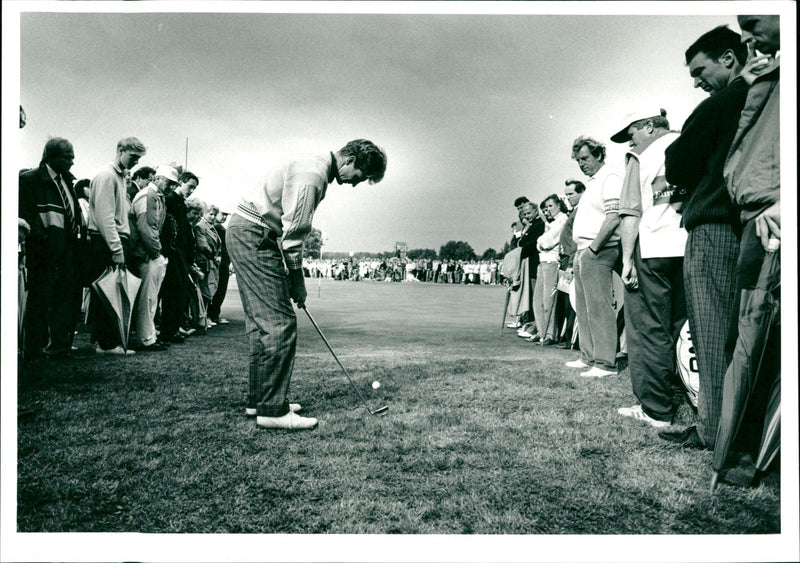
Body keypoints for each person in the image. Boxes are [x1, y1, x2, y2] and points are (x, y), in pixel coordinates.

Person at [227, 139, 387, 430]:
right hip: (253, 233)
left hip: (247, 230)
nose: (353, 185)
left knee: (264, 323)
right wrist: (298, 281)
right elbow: (294, 234)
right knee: (279, 323)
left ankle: (260, 400)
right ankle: (272, 411)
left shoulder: (314, 163)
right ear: (351, 160)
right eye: (359, 178)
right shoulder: (313, 175)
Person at [660, 25, 749, 449]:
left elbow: (676, 164)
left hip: (714, 228)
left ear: (728, 58)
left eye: (700, 70)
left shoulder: (725, 100)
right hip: (744, 227)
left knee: (711, 334)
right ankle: (729, 427)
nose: (696, 81)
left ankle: (713, 429)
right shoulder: (760, 95)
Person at [718, 14, 781, 477]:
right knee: (751, 345)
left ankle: (761, 460)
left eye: (753, 21)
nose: (745, 37)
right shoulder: (769, 73)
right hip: (756, 219)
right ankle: (743, 454)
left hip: (775, 217)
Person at [613, 108, 686, 428]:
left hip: (653, 249)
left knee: (648, 329)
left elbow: (629, 213)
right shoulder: (688, 143)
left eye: (631, 134)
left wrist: (627, 259)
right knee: (682, 328)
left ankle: (656, 408)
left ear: (648, 127)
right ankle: (685, 398)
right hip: (689, 247)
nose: (629, 142)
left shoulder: (638, 158)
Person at [18, 138, 85, 360]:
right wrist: (45, 240)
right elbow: (27, 215)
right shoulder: (29, 180)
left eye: (72, 157)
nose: (71, 162)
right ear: (50, 156)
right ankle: (33, 350)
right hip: (44, 253)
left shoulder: (66, 181)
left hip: (68, 252)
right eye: (67, 157)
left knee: (64, 301)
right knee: (39, 302)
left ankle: (59, 346)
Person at [566, 136, 623, 377]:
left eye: (586, 158)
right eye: (578, 160)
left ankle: (605, 362)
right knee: (584, 307)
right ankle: (588, 356)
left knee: (599, 307)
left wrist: (593, 250)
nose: (582, 164)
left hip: (598, 250)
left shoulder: (609, 177)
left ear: (599, 155)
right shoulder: (592, 182)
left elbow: (613, 217)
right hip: (583, 251)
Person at [87, 137, 146, 355]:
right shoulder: (107, 175)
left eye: (138, 158)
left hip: (113, 240)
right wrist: (116, 248)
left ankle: (104, 341)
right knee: (108, 293)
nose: (136, 162)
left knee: (112, 292)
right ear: (120, 150)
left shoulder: (119, 177)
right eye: (133, 157)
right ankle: (107, 343)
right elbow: (105, 217)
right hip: (107, 241)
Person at [128, 165, 179, 351]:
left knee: (150, 298)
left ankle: (148, 335)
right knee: (147, 298)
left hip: (148, 253)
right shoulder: (149, 195)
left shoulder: (155, 196)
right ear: (158, 179)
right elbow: (147, 228)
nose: (172, 187)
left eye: (174, 184)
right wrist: (157, 253)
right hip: (146, 254)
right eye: (169, 182)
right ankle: (146, 338)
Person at [160, 171, 199, 341]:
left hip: (180, 252)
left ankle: (174, 327)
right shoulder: (170, 200)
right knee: (173, 291)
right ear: (181, 182)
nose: (191, 190)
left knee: (179, 291)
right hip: (173, 251)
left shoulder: (180, 203)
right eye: (190, 186)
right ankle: (169, 330)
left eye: (194, 188)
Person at [532, 194, 569, 345]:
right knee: (538, 300)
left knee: (549, 300)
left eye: (551, 206)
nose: (548, 210)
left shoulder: (563, 220)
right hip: (543, 261)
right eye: (546, 207)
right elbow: (541, 243)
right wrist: (540, 242)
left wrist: (540, 242)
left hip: (552, 262)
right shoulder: (552, 222)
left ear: (559, 205)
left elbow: (546, 242)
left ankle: (549, 334)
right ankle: (542, 333)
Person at [554, 179, 585, 348]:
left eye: (571, 194)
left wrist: (572, 264)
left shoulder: (581, 211)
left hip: (571, 259)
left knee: (571, 302)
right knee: (565, 301)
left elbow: (576, 240)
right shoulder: (575, 210)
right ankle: (567, 337)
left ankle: (571, 339)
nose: (568, 198)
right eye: (566, 195)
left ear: (582, 193)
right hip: (565, 258)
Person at [193, 202, 222, 324]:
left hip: (211, 262)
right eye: (210, 214)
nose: (213, 217)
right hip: (205, 262)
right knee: (205, 289)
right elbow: (203, 245)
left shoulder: (211, 227)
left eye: (214, 215)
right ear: (204, 213)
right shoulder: (201, 226)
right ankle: (202, 318)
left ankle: (204, 317)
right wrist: (214, 255)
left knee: (209, 289)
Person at [207, 210, 231, 325]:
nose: (225, 217)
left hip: (221, 261)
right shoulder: (219, 228)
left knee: (217, 289)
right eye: (223, 214)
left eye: (226, 215)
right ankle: (213, 315)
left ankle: (212, 314)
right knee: (220, 289)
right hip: (221, 262)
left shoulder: (216, 227)